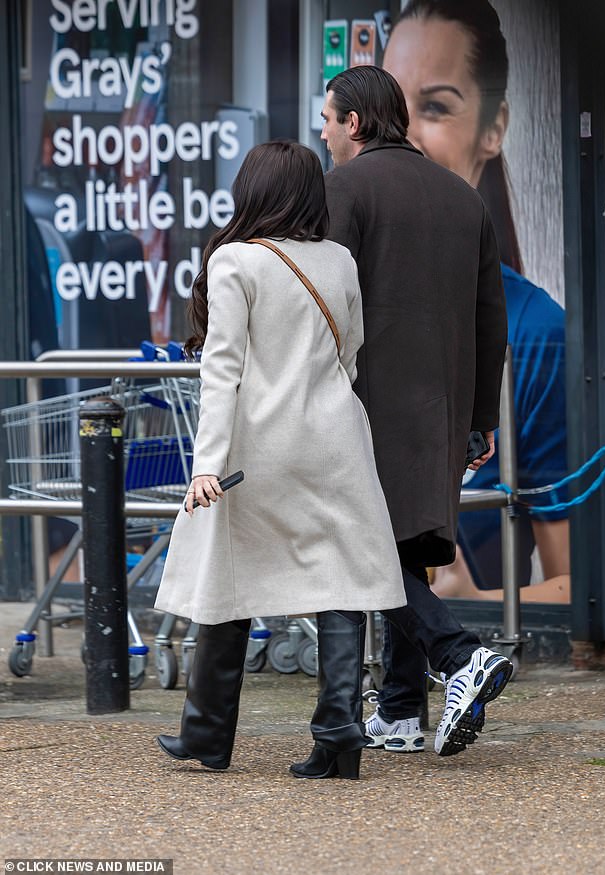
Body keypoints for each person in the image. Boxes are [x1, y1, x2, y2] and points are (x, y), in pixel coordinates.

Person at [153, 141, 408, 780]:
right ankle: (339, 735)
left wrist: (206, 462)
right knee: (341, 580)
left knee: (228, 578)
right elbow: (350, 352)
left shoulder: (235, 260)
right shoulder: (339, 260)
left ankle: (206, 737)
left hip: (259, 448)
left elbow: (223, 370)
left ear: (253, 192)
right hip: (335, 440)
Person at [320, 65, 513, 757]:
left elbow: (326, 301)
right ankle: (400, 711)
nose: (322, 130)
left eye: (329, 117)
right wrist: (480, 417)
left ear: (356, 123)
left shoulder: (343, 189)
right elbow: (493, 319)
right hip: (446, 404)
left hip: (366, 402)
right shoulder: (464, 199)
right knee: (403, 544)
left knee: (364, 545)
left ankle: (458, 653)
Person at [382, 0, 570, 605]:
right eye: (387, 107)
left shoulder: (536, 334)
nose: (401, 133)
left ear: (492, 129)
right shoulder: (328, 299)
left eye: (433, 107)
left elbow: (583, 592)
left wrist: (466, 604)